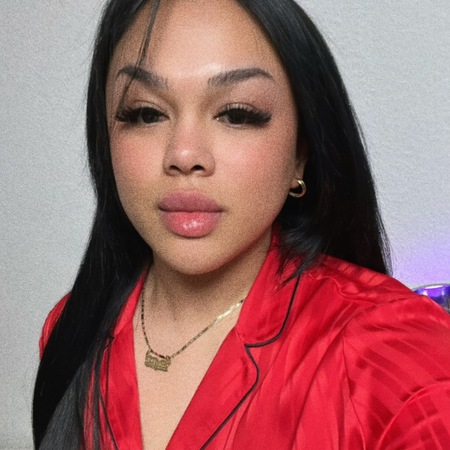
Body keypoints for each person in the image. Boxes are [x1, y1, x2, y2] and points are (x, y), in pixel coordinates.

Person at [33, 0, 450, 448]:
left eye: (236, 113)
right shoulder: (71, 327)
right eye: (146, 113)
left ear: (301, 153)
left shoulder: (396, 358)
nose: (184, 155)